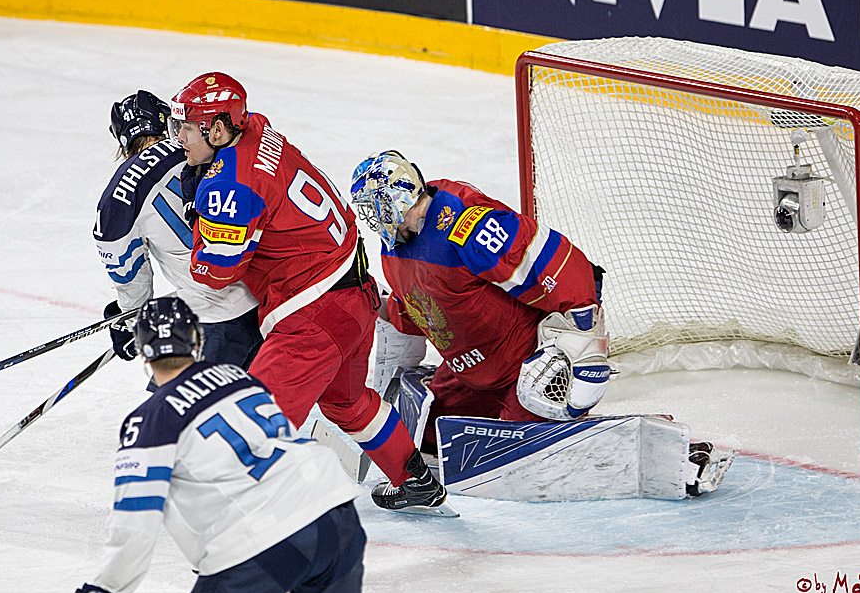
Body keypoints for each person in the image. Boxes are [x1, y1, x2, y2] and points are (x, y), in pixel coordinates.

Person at [167, 73, 448, 513]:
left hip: (314, 316)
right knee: (348, 404)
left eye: (187, 127)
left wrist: (198, 221)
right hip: (356, 297)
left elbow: (215, 271)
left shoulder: (231, 186)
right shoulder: (258, 128)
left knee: (255, 422)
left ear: (218, 130)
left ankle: (248, 527)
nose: (178, 138)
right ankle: (417, 481)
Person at [70, 296, 366, 593]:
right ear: (196, 341)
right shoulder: (240, 379)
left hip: (264, 538)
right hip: (334, 511)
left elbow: (136, 522)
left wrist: (104, 592)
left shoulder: (149, 421)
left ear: (144, 352)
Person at [350, 150, 615, 446]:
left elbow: (559, 267)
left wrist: (584, 340)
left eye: (377, 208)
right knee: (427, 439)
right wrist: (389, 310)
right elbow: (429, 304)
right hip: (473, 371)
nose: (373, 219)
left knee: (523, 450)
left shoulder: (469, 225)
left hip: (526, 365)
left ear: (398, 201)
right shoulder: (394, 246)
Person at [94, 90, 262, 375]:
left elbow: (129, 276)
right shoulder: (206, 147)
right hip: (266, 297)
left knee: (174, 413)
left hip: (216, 319)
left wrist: (131, 319)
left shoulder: (117, 200)